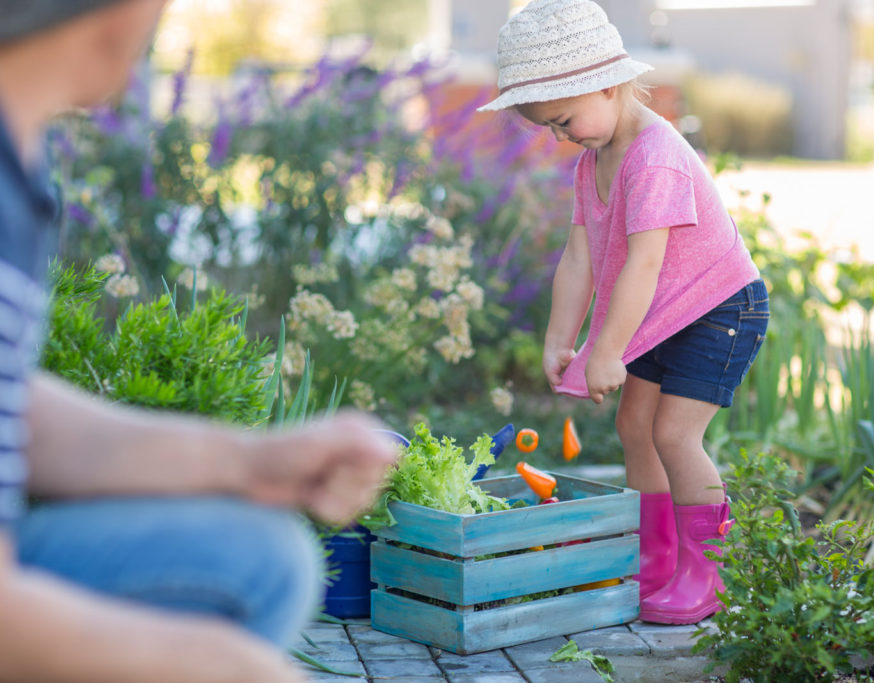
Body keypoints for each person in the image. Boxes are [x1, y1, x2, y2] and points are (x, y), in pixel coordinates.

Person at [0, 2, 398, 681]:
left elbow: (12, 408)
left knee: (264, 557)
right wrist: (207, 663)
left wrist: (252, 459)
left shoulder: (22, 166)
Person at [479, 0, 769, 625]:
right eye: (548, 129)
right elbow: (580, 255)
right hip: (664, 310)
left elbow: (642, 264)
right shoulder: (593, 160)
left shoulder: (655, 156)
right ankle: (656, 556)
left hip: (719, 308)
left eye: (563, 120)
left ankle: (709, 570)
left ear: (606, 85)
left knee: (672, 433)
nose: (560, 138)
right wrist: (564, 337)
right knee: (634, 426)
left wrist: (607, 350)